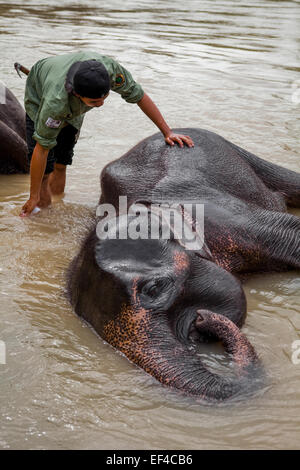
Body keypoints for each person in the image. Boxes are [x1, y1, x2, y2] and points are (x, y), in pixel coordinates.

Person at [20, 50, 194, 217]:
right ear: (77, 94)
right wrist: (33, 196)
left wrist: (167, 132)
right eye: (94, 102)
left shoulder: (110, 72)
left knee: (61, 162)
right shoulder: (56, 104)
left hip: (71, 92)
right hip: (40, 92)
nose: (101, 104)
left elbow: (139, 96)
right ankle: (42, 212)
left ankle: (56, 202)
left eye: (105, 97)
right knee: (45, 168)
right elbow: (41, 149)